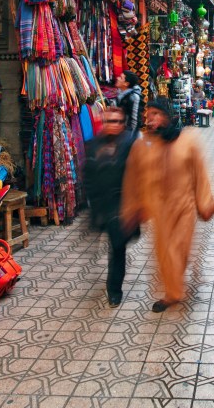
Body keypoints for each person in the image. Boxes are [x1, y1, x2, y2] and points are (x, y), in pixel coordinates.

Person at [121, 98, 214, 312]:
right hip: (158, 209)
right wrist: (133, 207)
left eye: (155, 113)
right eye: (148, 115)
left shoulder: (188, 139)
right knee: (164, 252)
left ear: (166, 115)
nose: (150, 118)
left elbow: (199, 173)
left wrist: (205, 201)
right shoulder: (143, 144)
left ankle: (175, 286)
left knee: (179, 248)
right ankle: (172, 293)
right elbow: (133, 179)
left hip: (184, 206)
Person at [83, 107, 138, 307]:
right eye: (108, 121)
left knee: (117, 248)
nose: (111, 125)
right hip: (101, 204)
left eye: (116, 121)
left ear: (122, 124)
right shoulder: (94, 144)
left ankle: (114, 288)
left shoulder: (131, 143)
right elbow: (88, 174)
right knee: (107, 243)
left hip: (122, 204)